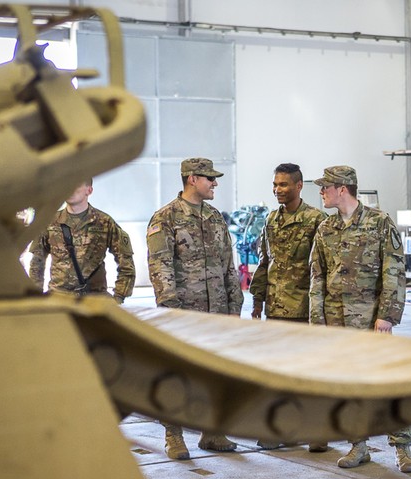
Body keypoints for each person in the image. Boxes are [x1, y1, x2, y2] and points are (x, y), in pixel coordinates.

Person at [308, 165, 411, 473]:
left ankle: (403, 448)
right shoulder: (325, 229)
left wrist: (387, 315)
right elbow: (317, 277)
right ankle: (358, 445)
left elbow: (394, 271)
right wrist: (317, 323)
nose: (321, 193)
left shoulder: (379, 222)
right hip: (336, 321)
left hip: (370, 320)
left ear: (342, 189)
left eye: (325, 187)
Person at [147, 157, 243, 460]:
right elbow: (160, 267)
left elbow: (229, 264)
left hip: (217, 312)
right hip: (184, 312)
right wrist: (171, 310)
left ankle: (212, 431)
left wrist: (234, 305)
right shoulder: (166, 218)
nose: (215, 183)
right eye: (209, 179)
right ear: (191, 179)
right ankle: (173, 436)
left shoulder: (215, 217)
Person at [249, 163, 327, 452]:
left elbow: (324, 267)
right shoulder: (270, 220)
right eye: (275, 184)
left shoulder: (316, 220)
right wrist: (257, 299)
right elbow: (264, 261)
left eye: (283, 184)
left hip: (305, 308)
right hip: (276, 308)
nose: (277, 190)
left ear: (298, 186)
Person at [28, 179, 135, 303]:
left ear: (89, 190)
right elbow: (37, 263)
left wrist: (119, 297)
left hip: (95, 299)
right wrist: (36, 298)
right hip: (59, 298)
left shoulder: (104, 222)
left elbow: (126, 263)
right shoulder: (50, 222)